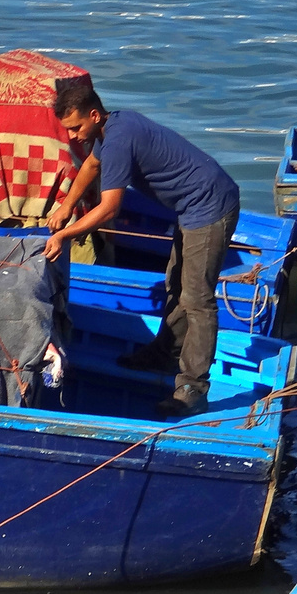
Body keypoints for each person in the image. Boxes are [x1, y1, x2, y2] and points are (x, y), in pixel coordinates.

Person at [43, 84, 240, 418]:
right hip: (190, 207)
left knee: (197, 299)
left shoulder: (118, 141)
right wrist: (66, 205)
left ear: (94, 115)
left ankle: (193, 388)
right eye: (68, 131)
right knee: (174, 284)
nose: (73, 136)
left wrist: (65, 234)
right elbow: (91, 167)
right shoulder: (112, 127)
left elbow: (109, 210)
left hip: (210, 206)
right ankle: (166, 353)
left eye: (76, 127)